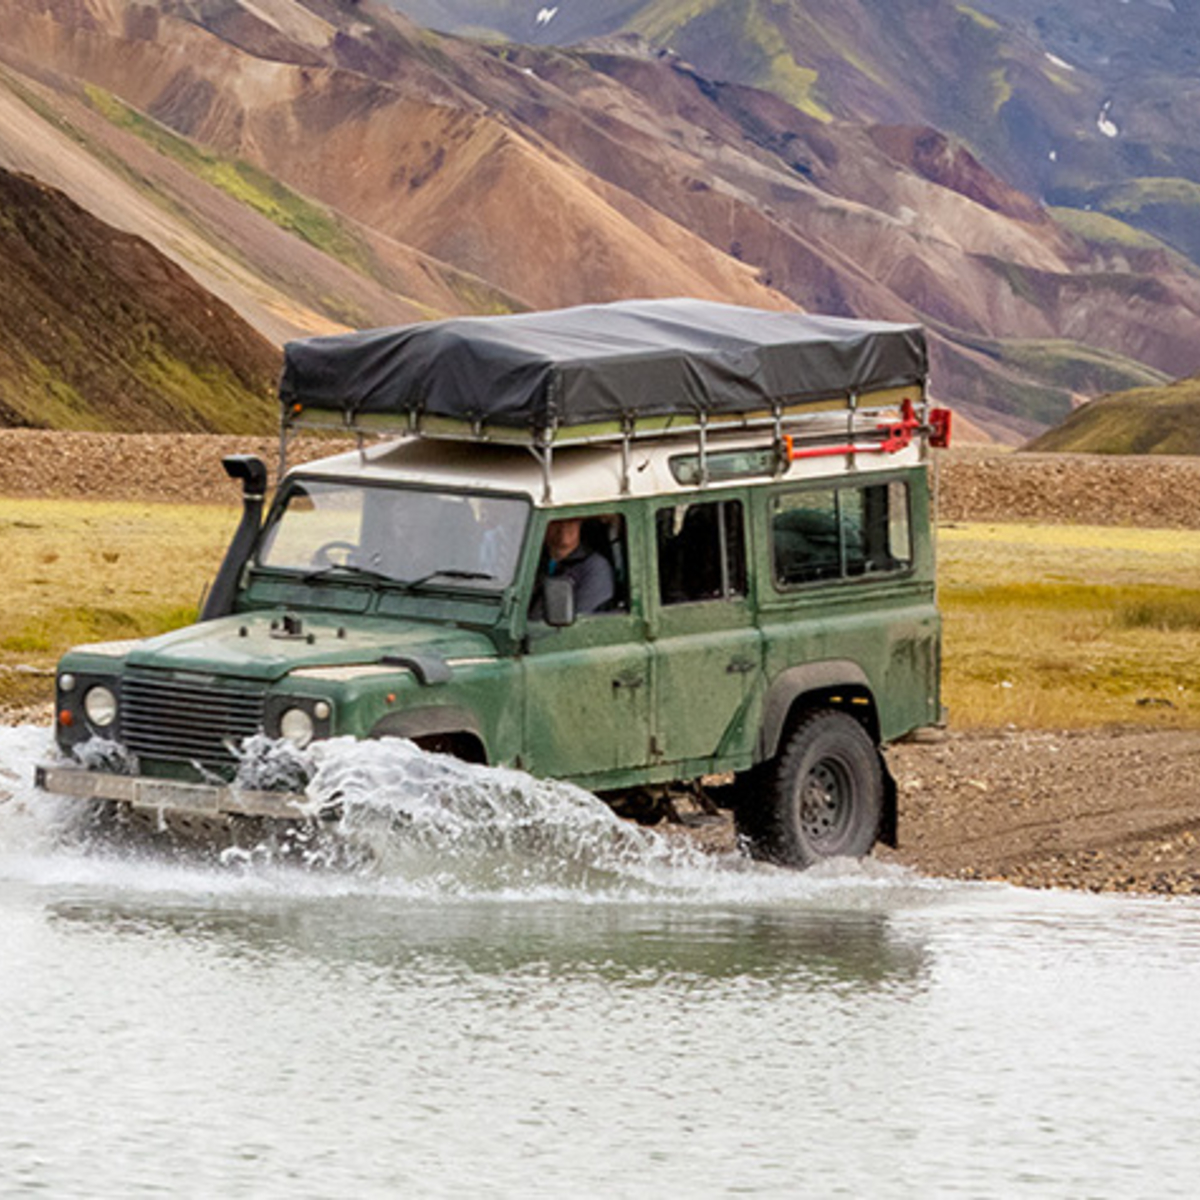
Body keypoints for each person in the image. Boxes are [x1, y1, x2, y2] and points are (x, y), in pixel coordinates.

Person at [530, 517, 615, 619]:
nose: (564, 527)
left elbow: (581, 619)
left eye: (571, 521)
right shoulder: (531, 560)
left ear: (580, 524)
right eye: (557, 521)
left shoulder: (595, 567)